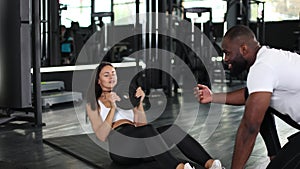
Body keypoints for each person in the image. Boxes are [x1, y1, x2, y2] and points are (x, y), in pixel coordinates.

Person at [194, 25, 300, 169]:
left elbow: (249, 127)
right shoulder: (268, 58)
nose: (225, 59)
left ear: (244, 49)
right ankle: (274, 155)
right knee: (257, 103)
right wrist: (212, 97)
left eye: (227, 53)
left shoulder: (263, 67)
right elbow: (249, 95)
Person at [86, 62, 225, 169]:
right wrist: (112, 108)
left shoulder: (124, 96)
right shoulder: (94, 103)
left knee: (173, 129)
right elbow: (102, 135)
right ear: (98, 80)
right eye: (106, 75)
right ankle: (178, 168)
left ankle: (211, 164)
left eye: (113, 73)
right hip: (120, 147)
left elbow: (142, 126)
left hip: (138, 142)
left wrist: (138, 103)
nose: (111, 77)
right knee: (146, 131)